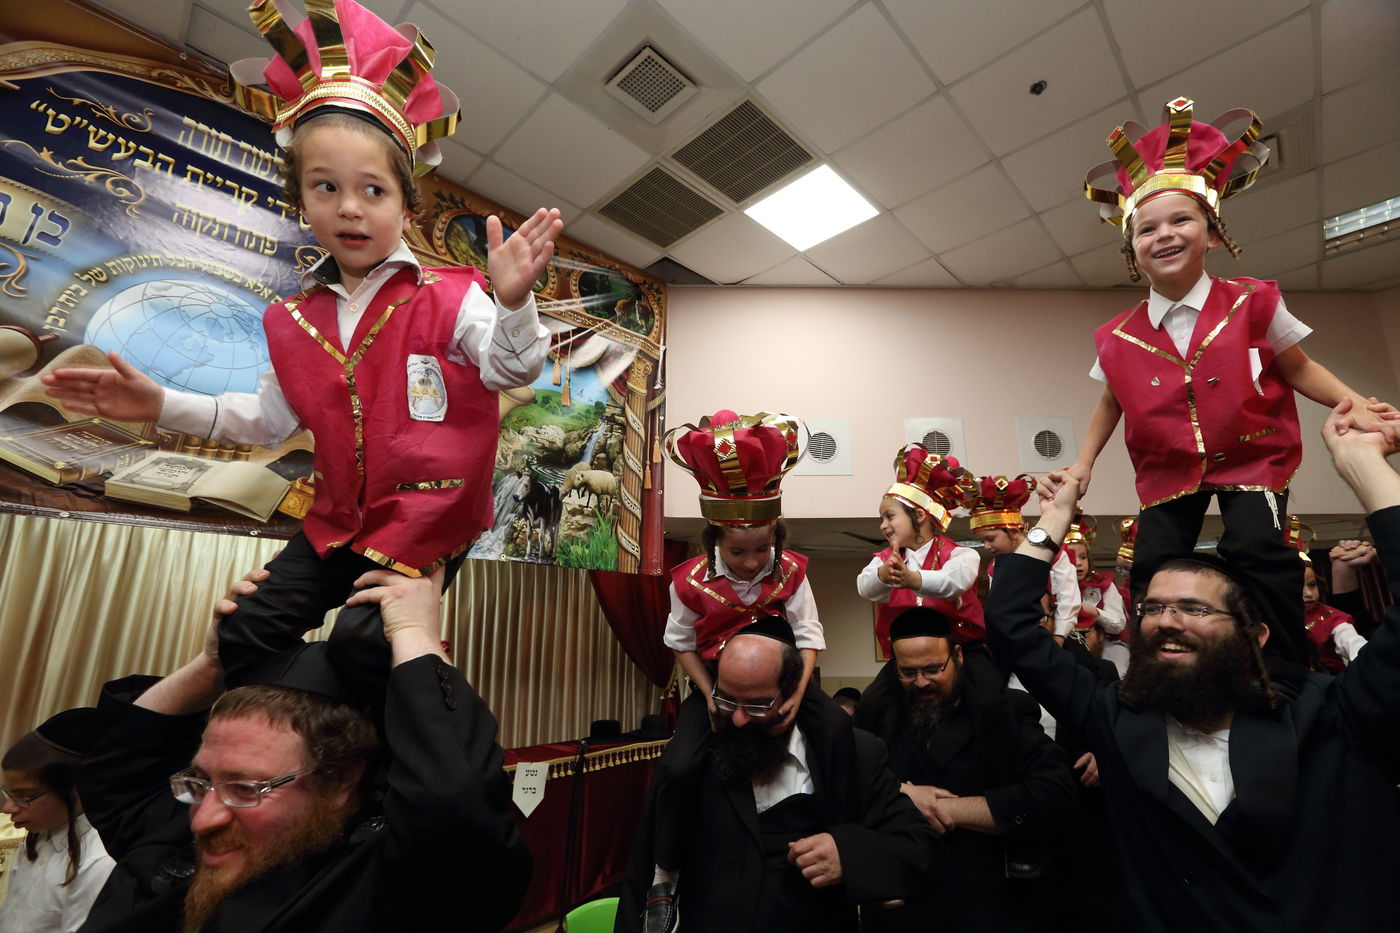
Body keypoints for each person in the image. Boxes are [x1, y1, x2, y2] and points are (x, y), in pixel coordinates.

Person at [40, 0, 564, 694]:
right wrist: (158, 401)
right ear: (302, 202)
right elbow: (268, 420)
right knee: (239, 635)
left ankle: (372, 752)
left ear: (406, 208)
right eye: (327, 187)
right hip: (336, 522)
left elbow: (511, 365)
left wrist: (514, 299)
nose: (349, 206)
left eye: (371, 190)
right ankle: (302, 739)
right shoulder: (290, 319)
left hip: (427, 515)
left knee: (363, 645)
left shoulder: (452, 294)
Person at [985, 396, 1400, 932]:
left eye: (1194, 608)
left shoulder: (1330, 716)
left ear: (1256, 636)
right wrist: (1057, 516)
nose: (1165, 620)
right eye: (1153, 607)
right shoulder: (1116, 718)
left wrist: (1367, 467)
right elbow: (1013, 624)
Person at [1045, 95, 1398, 667]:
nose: (1163, 234)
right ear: (1132, 250)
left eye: (1181, 219)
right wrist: (1083, 464)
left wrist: (1356, 404)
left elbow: (1300, 367)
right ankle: (1156, 671)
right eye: (1146, 228)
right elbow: (1111, 400)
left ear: (1212, 234)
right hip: (1165, 465)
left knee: (1258, 548)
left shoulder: (1254, 301)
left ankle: (1281, 669)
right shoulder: (1117, 334)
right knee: (1155, 559)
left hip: (1254, 454)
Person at [74, 565, 531, 932]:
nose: (203, 818)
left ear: (340, 781)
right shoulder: (180, 835)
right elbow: (118, 766)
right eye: (200, 781)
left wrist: (414, 632)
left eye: (246, 788)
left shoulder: (384, 885)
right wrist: (214, 662)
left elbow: (456, 805)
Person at [617, 618, 941, 933]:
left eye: (758, 705)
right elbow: (645, 868)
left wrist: (848, 854)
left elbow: (919, 851)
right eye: (727, 700)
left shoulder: (853, 754)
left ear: (791, 695)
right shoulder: (688, 761)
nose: (740, 720)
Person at [646, 410, 824, 932]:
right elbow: (678, 643)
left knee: (836, 732)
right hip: (717, 683)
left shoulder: (793, 570)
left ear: (776, 539)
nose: (751, 562)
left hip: (787, 676)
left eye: (761, 550)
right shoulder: (688, 581)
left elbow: (810, 635)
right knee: (678, 768)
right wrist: (710, 699)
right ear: (714, 543)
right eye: (737, 551)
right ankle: (664, 875)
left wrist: (798, 694)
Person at [853, 608, 1077, 932]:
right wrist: (902, 793)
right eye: (907, 672)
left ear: (957, 655)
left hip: (991, 904)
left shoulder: (1007, 712)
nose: (920, 683)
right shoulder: (877, 717)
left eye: (933, 669)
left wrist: (946, 809)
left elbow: (1054, 797)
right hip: (907, 909)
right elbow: (851, 790)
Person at [858, 446, 983, 658]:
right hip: (904, 658)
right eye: (882, 519)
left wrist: (911, 578)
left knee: (984, 690)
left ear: (919, 515)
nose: (883, 525)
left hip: (964, 654)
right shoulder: (885, 560)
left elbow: (952, 583)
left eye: (889, 516)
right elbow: (865, 587)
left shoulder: (962, 555)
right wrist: (882, 575)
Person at [0, 711, 115, 933]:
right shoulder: (39, 834)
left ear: (76, 790)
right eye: (7, 793)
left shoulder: (99, 862)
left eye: (25, 797)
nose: (8, 809)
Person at [968, 473, 1079, 638]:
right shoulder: (994, 568)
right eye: (983, 541)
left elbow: (1069, 600)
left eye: (990, 539)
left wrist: (1059, 637)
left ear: (1013, 532)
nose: (986, 546)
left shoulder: (1052, 555)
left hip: (1061, 635)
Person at [1287, 517, 1367, 672]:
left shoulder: (1330, 616)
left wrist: (1370, 660)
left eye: (1312, 585)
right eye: (1298, 587)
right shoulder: (1273, 615)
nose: (1309, 594)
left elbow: (1352, 642)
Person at [1063, 514, 1128, 676]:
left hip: (1105, 647)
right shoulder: (1053, 587)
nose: (1078, 563)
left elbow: (1118, 624)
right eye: (1072, 557)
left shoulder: (1103, 584)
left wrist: (1093, 611)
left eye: (1083, 557)